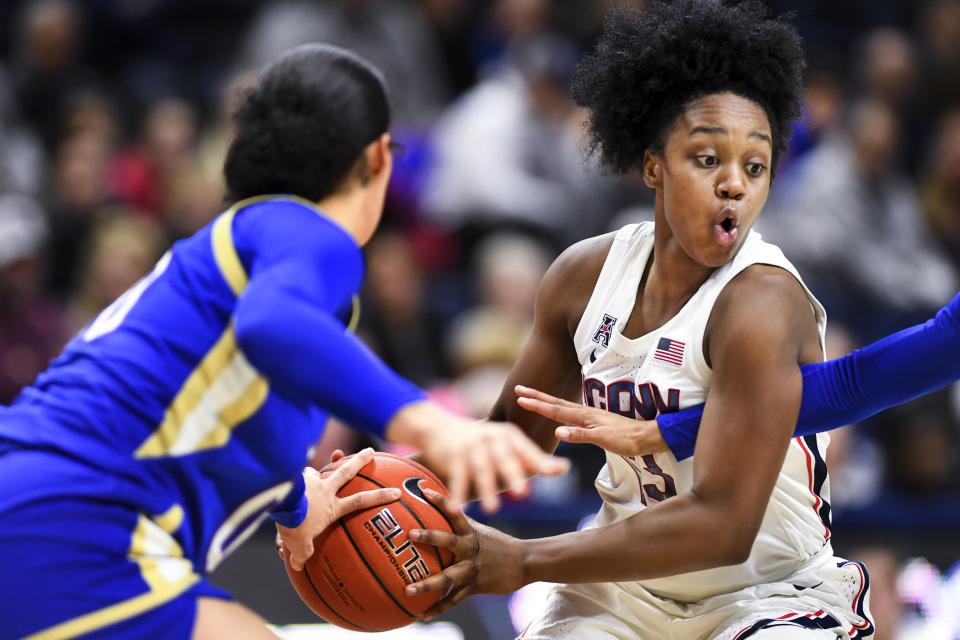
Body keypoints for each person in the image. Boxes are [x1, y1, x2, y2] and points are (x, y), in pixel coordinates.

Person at [0, 44, 567, 640]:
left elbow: (198, 401)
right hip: (80, 518)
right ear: (377, 157)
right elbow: (270, 325)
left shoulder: (243, 247)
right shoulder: (312, 235)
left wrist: (297, 502)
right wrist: (430, 422)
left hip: (37, 492)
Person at [407, 2, 878, 638]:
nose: (734, 185)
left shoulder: (763, 302)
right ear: (653, 165)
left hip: (767, 592)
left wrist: (523, 560)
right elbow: (509, 446)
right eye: (708, 159)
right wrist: (388, 495)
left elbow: (723, 526)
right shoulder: (583, 277)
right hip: (622, 590)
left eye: (755, 166)